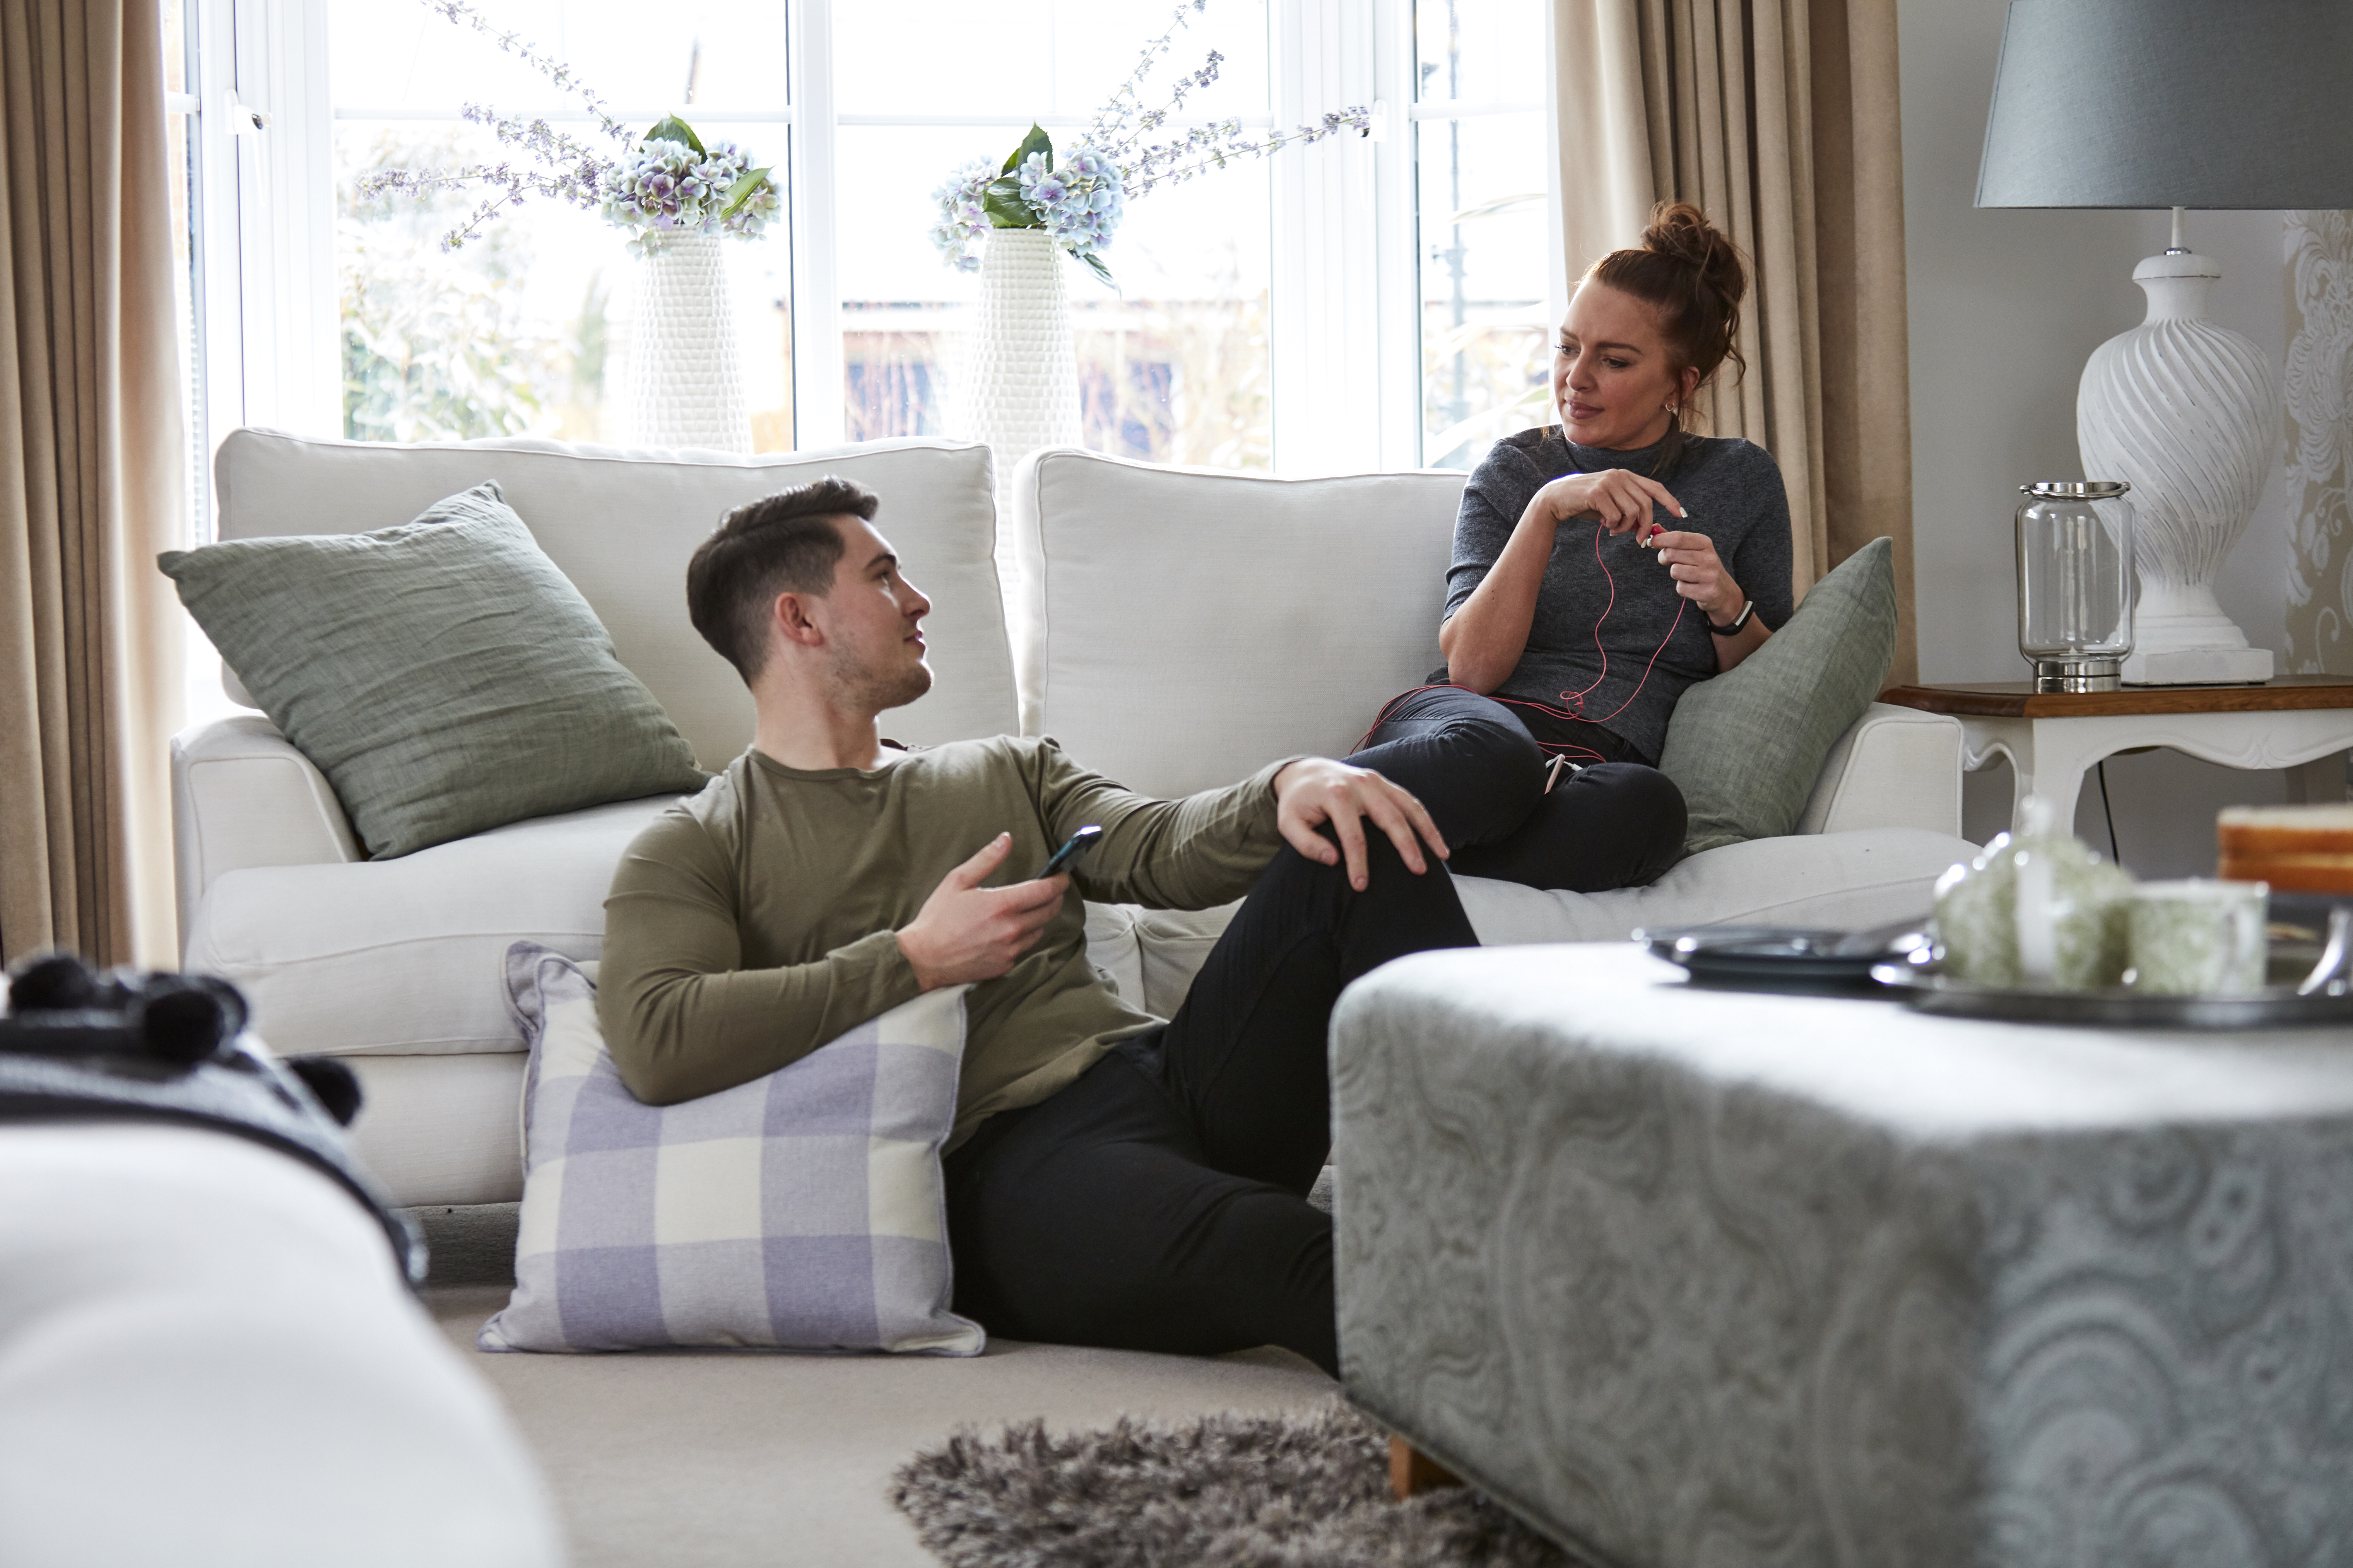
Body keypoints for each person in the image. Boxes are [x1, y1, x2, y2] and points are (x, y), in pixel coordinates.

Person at [595, 477, 1478, 1376]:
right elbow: (657, 1038)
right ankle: (1578, 1436)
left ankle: (1518, 1185)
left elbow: (1158, 847)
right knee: (1289, 1250)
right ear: (802, 618)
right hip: (1006, 1168)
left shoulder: (1002, 770)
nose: (918, 597)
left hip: (1164, 1077)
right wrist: (913, 960)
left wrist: (1291, 780)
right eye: (885, 575)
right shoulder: (700, 842)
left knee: (1359, 831)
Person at [1353, 201, 1793, 893]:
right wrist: (1545, 507)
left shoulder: (1740, 478)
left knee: (1647, 810)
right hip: (1467, 731)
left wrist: (1727, 605)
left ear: (1681, 384)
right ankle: (1292, 816)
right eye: (1566, 346)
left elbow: (1773, 682)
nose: (1575, 378)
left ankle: (1400, 867)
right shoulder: (1513, 470)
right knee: (1499, 761)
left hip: (1593, 764)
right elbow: (1470, 670)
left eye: (1613, 360)